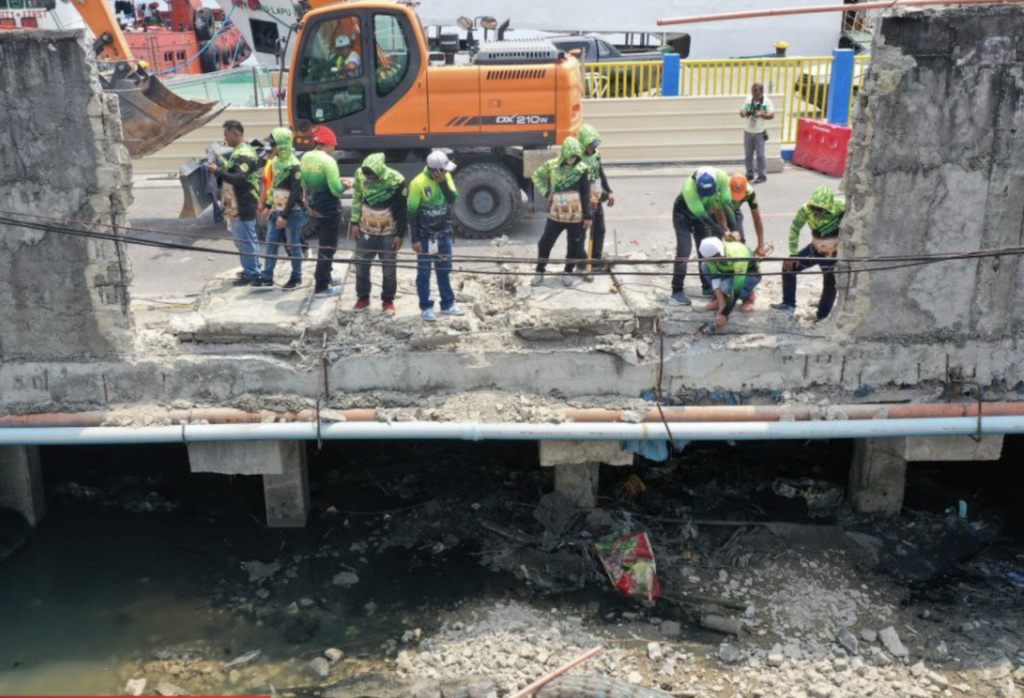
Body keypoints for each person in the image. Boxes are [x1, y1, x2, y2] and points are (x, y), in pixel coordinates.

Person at [771, 185, 845, 321]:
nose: (817, 211)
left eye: (821, 209)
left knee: (830, 283)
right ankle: (788, 304)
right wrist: (793, 255)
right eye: (815, 208)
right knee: (788, 267)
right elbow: (795, 230)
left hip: (832, 254)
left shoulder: (841, 207)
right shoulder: (805, 210)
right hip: (815, 248)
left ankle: (822, 315)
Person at [408, 151, 465, 322]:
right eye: (444, 170)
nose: (447, 173)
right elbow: (412, 212)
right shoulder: (417, 183)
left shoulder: (445, 178)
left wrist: (442, 184)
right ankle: (426, 307)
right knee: (424, 273)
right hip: (425, 237)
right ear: (435, 170)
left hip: (444, 234)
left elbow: (452, 199)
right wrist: (415, 239)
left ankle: (448, 304)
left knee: (444, 270)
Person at [530, 137, 593, 287]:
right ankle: (539, 271)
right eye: (569, 156)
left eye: (575, 156)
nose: (572, 159)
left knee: (574, 245)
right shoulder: (551, 165)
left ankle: (568, 272)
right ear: (564, 153)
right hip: (555, 215)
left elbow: (585, 193)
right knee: (545, 243)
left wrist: (588, 216)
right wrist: (546, 193)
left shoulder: (582, 169)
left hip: (575, 217)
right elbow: (536, 176)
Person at [668, 167, 735, 306]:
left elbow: (727, 204)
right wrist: (723, 232)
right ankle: (677, 291)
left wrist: (733, 229)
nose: (706, 195)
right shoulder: (689, 188)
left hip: (704, 212)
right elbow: (703, 217)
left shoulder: (722, 177)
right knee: (684, 251)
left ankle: (707, 286)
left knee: (705, 250)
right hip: (683, 215)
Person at [208, 120, 262, 287]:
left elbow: (239, 178)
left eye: (226, 135)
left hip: (243, 202)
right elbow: (233, 169)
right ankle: (251, 268)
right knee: (241, 239)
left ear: (236, 134)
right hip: (233, 202)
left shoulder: (244, 154)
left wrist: (217, 171)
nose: (225, 138)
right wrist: (221, 162)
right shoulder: (237, 151)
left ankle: (253, 273)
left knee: (245, 238)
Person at [350, 152, 407, 312]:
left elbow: (402, 209)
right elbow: (357, 198)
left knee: (389, 268)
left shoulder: (397, 180)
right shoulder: (361, 176)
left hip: (388, 233)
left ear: (380, 172)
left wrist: (400, 234)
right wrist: (354, 222)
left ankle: (388, 301)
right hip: (365, 231)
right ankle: (363, 298)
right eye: (367, 176)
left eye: (373, 176)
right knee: (361, 265)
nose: (370, 179)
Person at [300, 126, 348, 297]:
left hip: (314, 208)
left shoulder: (305, 157)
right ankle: (321, 286)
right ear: (328, 144)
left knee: (323, 245)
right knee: (328, 248)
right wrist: (346, 185)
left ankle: (326, 276)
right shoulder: (328, 161)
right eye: (334, 146)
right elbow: (335, 190)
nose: (334, 150)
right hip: (329, 210)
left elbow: (304, 184)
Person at [258, 128, 307, 290]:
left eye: (273, 144)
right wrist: (267, 205)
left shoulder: (294, 166)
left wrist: (284, 216)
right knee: (271, 243)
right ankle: (266, 277)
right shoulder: (276, 163)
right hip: (276, 210)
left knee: (293, 245)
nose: (270, 148)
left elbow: (295, 193)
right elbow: (274, 187)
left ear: (283, 145)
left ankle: (296, 277)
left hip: (293, 213)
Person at [698, 237, 761, 331]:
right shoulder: (710, 258)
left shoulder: (737, 254)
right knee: (704, 265)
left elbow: (736, 288)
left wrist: (724, 314)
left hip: (750, 274)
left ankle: (748, 295)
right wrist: (722, 304)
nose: (714, 260)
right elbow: (715, 279)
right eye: (712, 259)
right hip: (730, 273)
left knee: (726, 287)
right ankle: (724, 298)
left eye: (717, 257)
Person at [578, 124, 615, 277]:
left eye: (594, 145)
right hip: (583, 197)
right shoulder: (577, 157)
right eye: (590, 145)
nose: (592, 148)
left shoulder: (596, 154)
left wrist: (609, 191)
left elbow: (600, 172)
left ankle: (595, 259)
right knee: (581, 231)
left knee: (599, 229)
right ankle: (580, 261)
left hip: (596, 193)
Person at [725, 174, 767, 258]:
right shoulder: (723, 189)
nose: (736, 198)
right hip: (718, 211)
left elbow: (757, 219)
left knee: (740, 242)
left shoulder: (749, 192)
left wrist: (761, 245)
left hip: (735, 211)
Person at [740, 82, 774, 183]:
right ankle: (750, 174)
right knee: (748, 155)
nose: (756, 98)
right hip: (748, 131)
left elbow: (772, 115)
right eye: (754, 95)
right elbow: (741, 111)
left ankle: (762, 175)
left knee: (760, 155)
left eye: (758, 95)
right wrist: (743, 113)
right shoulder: (748, 99)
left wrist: (761, 114)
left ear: (762, 93)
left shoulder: (767, 101)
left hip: (759, 132)